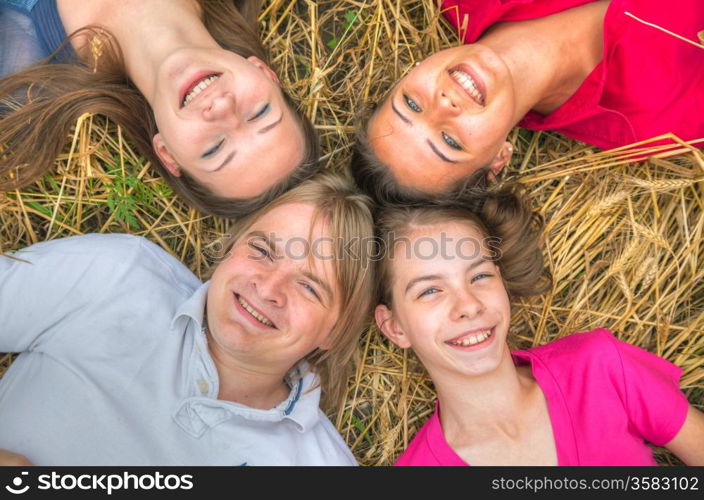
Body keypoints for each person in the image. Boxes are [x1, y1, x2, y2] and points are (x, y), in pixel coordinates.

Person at [0, 172, 375, 465]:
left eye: (310, 287)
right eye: (262, 250)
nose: (268, 289)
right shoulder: (118, 276)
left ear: (335, 331)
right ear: (229, 249)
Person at [372, 187, 704, 465]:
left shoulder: (598, 368)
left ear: (501, 282)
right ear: (394, 327)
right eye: (430, 291)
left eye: (479, 276)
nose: (469, 305)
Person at [353, 0, 704, 204]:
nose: (443, 105)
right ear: (498, 159)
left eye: (412, 104)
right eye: (449, 141)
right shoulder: (654, 122)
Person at [0, 0, 319, 218]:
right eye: (260, 113)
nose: (222, 108)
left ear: (166, 153)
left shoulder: (21, 63)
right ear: (265, 72)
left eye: (214, 147)